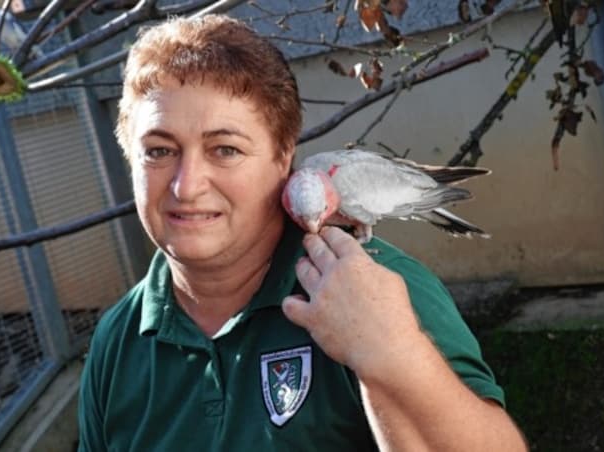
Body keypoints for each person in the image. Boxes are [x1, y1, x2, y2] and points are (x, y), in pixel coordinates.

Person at [78, 13, 527, 451]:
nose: (186, 185)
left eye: (226, 149)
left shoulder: (382, 290)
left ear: (283, 158)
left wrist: (395, 355)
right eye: (159, 150)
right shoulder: (118, 338)